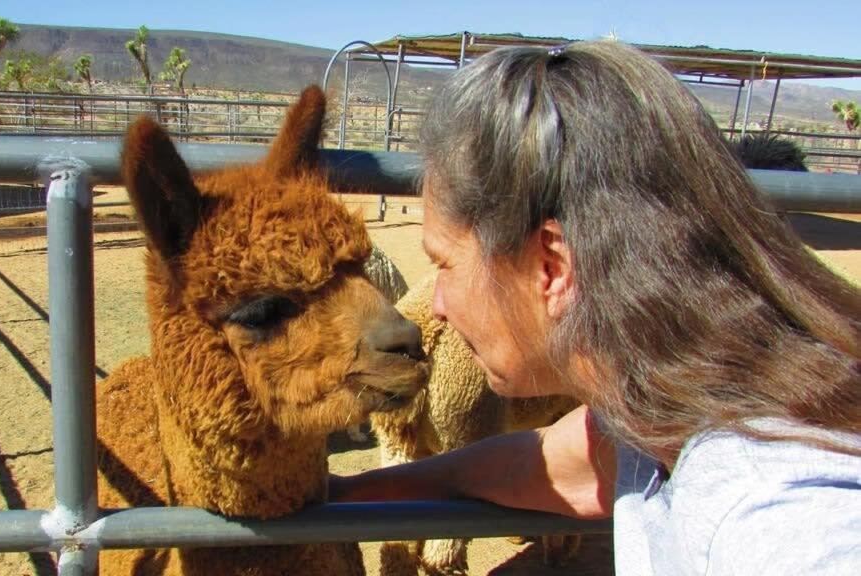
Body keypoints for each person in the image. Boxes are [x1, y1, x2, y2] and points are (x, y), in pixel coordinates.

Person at [330, 41, 861, 574]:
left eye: (444, 264)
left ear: (551, 267)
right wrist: (341, 495)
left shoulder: (778, 519)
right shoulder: (675, 407)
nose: (436, 305)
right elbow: (565, 465)